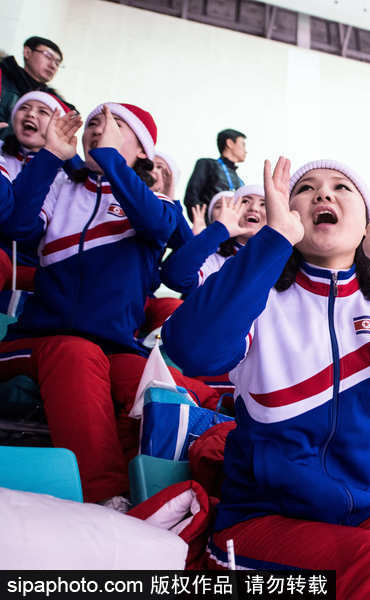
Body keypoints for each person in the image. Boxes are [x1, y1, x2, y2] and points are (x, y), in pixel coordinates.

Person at [163, 158, 370, 599]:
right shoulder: (259, 294)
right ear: (291, 215)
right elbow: (190, 349)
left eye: (341, 188)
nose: (324, 194)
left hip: (364, 510)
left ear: (367, 224)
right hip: (261, 518)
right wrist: (273, 241)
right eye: (307, 188)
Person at [0, 103, 221, 507]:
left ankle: (177, 488)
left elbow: (154, 225)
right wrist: (50, 154)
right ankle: (105, 499)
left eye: (116, 124)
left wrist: (109, 158)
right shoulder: (60, 187)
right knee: (76, 352)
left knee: (145, 377)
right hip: (34, 341)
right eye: (95, 122)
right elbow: (15, 226)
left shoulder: (159, 205)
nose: (97, 129)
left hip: (114, 349)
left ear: (142, 152)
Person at [0, 90, 72, 291]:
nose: (31, 114)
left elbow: (24, 231)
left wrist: (50, 157)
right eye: (24, 107)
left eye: (43, 111)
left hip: (25, 273)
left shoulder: (63, 177)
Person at [161, 184, 266, 295]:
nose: (254, 208)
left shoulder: (283, 259)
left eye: (264, 204)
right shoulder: (215, 255)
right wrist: (218, 230)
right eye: (245, 201)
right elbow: (175, 277)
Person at [0, 36, 73, 139]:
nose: (53, 66)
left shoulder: (53, 103)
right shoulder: (2, 77)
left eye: (57, 63)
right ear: (27, 53)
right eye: (48, 56)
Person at [183, 128, 246, 211]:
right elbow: (191, 196)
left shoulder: (240, 181)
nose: (246, 151)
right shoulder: (208, 164)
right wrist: (209, 221)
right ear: (230, 143)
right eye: (243, 145)